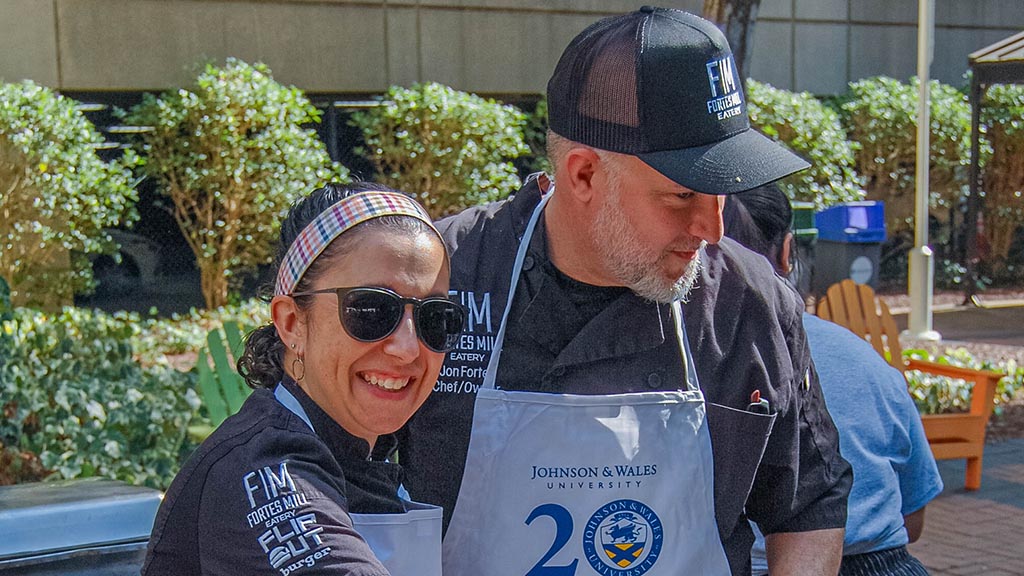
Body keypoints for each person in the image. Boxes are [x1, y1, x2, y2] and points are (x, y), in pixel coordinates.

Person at [396, 7, 852, 576]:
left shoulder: (750, 302)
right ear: (583, 174)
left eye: (721, 194)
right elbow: (333, 470)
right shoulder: (442, 277)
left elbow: (808, 503)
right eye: (682, 196)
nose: (713, 229)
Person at [141, 182, 468, 576]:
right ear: (292, 323)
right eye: (370, 309)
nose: (408, 348)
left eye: (436, 317)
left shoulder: (361, 454)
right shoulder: (262, 471)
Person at [724, 184, 944, 576]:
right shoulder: (864, 359)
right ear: (788, 253)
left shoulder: (686, 368)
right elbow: (913, 518)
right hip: (884, 561)